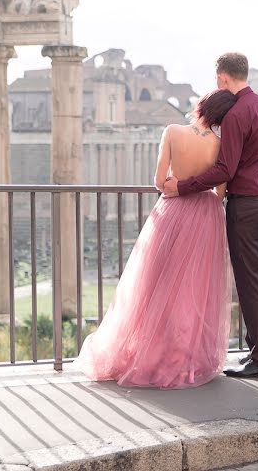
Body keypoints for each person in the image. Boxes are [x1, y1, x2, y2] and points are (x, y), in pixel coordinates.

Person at [73, 89, 238, 389]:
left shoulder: (173, 132)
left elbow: (160, 182)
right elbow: (219, 193)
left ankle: (149, 351)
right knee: (194, 289)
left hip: (173, 212)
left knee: (154, 283)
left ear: (200, 106)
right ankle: (185, 356)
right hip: (205, 218)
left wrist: (176, 186)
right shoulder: (219, 144)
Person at [162, 52, 258, 379]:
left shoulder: (234, 115)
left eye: (218, 79)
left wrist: (182, 187)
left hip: (247, 204)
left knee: (250, 280)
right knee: (254, 277)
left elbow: (225, 168)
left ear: (223, 78)